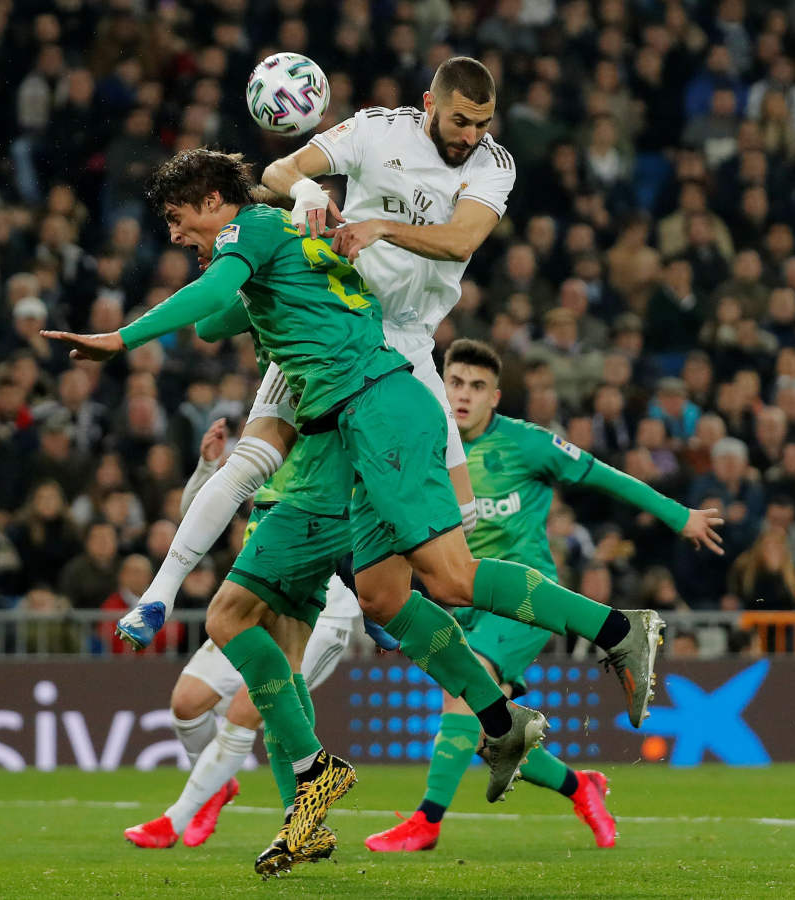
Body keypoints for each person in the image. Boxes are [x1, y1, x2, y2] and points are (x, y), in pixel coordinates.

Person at [43, 148, 712, 873]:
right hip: (344, 436)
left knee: (448, 581)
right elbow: (216, 318)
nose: (174, 236)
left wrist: (122, 338)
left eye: (179, 221)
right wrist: (236, 273)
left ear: (212, 199)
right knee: (339, 602)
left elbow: (216, 295)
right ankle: (453, 736)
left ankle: (616, 629)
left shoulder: (254, 230)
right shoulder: (274, 246)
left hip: (379, 410)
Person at [124, 56, 515, 636]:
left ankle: (371, 581)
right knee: (253, 460)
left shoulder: (492, 164)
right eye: (461, 121)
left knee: (460, 514)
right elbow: (279, 170)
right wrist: (307, 188)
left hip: (408, 340)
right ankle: (159, 592)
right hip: (333, 320)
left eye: (482, 124)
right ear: (431, 104)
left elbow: (461, 242)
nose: (472, 136)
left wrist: (381, 226)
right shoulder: (375, 130)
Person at [365, 340, 721, 852]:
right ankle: (581, 787)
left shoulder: (525, 443)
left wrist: (677, 514)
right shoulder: (422, 444)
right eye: (456, 382)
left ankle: (427, 822)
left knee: (468, 690)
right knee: (491, 733)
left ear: (496, 397)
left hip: (523, 601)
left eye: (477, 387)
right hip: (459, 604)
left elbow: (602, 475)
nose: (464, 396)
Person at [121, 419, 368, 856]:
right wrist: (207, 467)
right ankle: (229, 791)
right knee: (186, 703)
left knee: (253, 705)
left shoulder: (341, 445)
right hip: (260, 591)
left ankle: (178, 816)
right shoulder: (273, 441)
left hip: (324, 605)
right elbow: (202, 518)